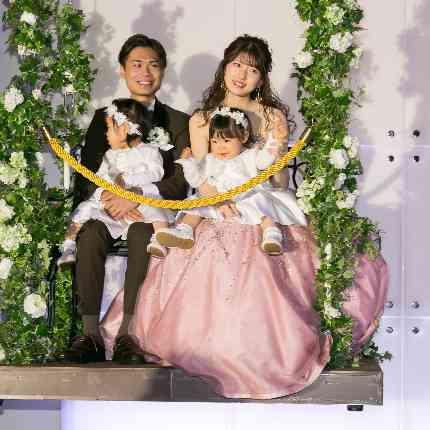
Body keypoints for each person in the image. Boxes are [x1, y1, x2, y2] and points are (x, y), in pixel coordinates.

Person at [100, 35, 388, 399]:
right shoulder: (202, 120)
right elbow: (201, 174)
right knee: (204, 241)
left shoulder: (272, 116)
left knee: (278, 246)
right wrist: (219, 201)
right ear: (225, 68)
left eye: (252, 69)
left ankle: (270, 346)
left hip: (260, 199)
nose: (242, 74)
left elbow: (280, 181)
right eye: (236, 65)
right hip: (214, 201)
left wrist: (275, 154)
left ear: (262, 78)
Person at [57, 34, 190, 364]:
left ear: (163, 70)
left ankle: (130, 334)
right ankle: (90, 334)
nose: (145, 72)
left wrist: (136, 196)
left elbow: (181, 181)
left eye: (153, 65)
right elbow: (88, 174)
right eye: (137, 64)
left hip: (152, 211)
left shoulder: (178, 121)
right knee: (89, 234)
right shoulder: (103, 117)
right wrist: (108, 198)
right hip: (107, 208)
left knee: (144, 234)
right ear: (122, 70)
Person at [156, 107, 306, 255]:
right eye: (214, 141)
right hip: (220, 200)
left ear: (243, 137)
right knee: (197, 205)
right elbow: (196, 181)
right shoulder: (210, 159)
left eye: (226, 140)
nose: (220, 147)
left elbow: (264, 161)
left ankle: (271, 233)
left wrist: (274, 141)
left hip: (247, 197)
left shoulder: (250, 156)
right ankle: (185, 230)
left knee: (261, 204)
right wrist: (188, 163)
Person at [57, 98, 174, 266]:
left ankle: (160, 240)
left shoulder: (149, 151)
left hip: (139, 202)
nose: (106, 134)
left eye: (110, 129)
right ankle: (68, 246)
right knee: (83, 209)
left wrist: (127, 180)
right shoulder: (110, 155)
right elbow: (99, 179)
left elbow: (157, 173)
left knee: (157, 212)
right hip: (112, 207)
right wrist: (104, 194)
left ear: (124, 129)